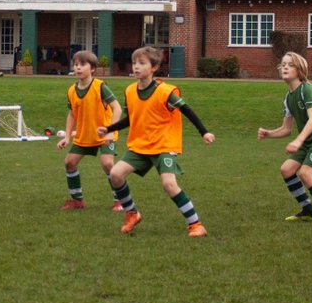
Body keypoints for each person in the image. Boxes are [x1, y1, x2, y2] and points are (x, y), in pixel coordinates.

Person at [97, 46, 214, 237]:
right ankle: (132, 213)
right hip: (140, 145)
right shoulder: (130, 91)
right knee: (116, 174)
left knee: (169, 184)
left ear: (154, 67)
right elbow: (131, 118)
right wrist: (109, 129)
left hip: (164, 145)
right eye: (134, 62)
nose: (136, 67)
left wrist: (204, 132)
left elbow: (187, 110)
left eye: (142, 63)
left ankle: (196, 224)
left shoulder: (165, 92)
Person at [257, 52, 312, 225]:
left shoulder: (307, 89)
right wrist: (269, 134)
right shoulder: (288, 98)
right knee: (287, 170)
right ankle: (309, 211)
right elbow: (286, 129)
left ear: (300, 70)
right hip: (308, 140)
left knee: (305, 173)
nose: (285, 67)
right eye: (283, 64)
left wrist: (298, 141)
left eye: (290, 64)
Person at [55, 50, 123, 211]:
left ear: (92, 69)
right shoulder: (71, 90)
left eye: (83, 65)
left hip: (104, 135)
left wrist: (111, 131)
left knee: (107, 164)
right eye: (76, 64)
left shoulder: (100, 87)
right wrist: (67, 136)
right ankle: (77, 201)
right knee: (69, 162)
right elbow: (72, 114)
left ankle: (120, 201)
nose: (78, 68)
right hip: (85, 135)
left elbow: (117, 108)